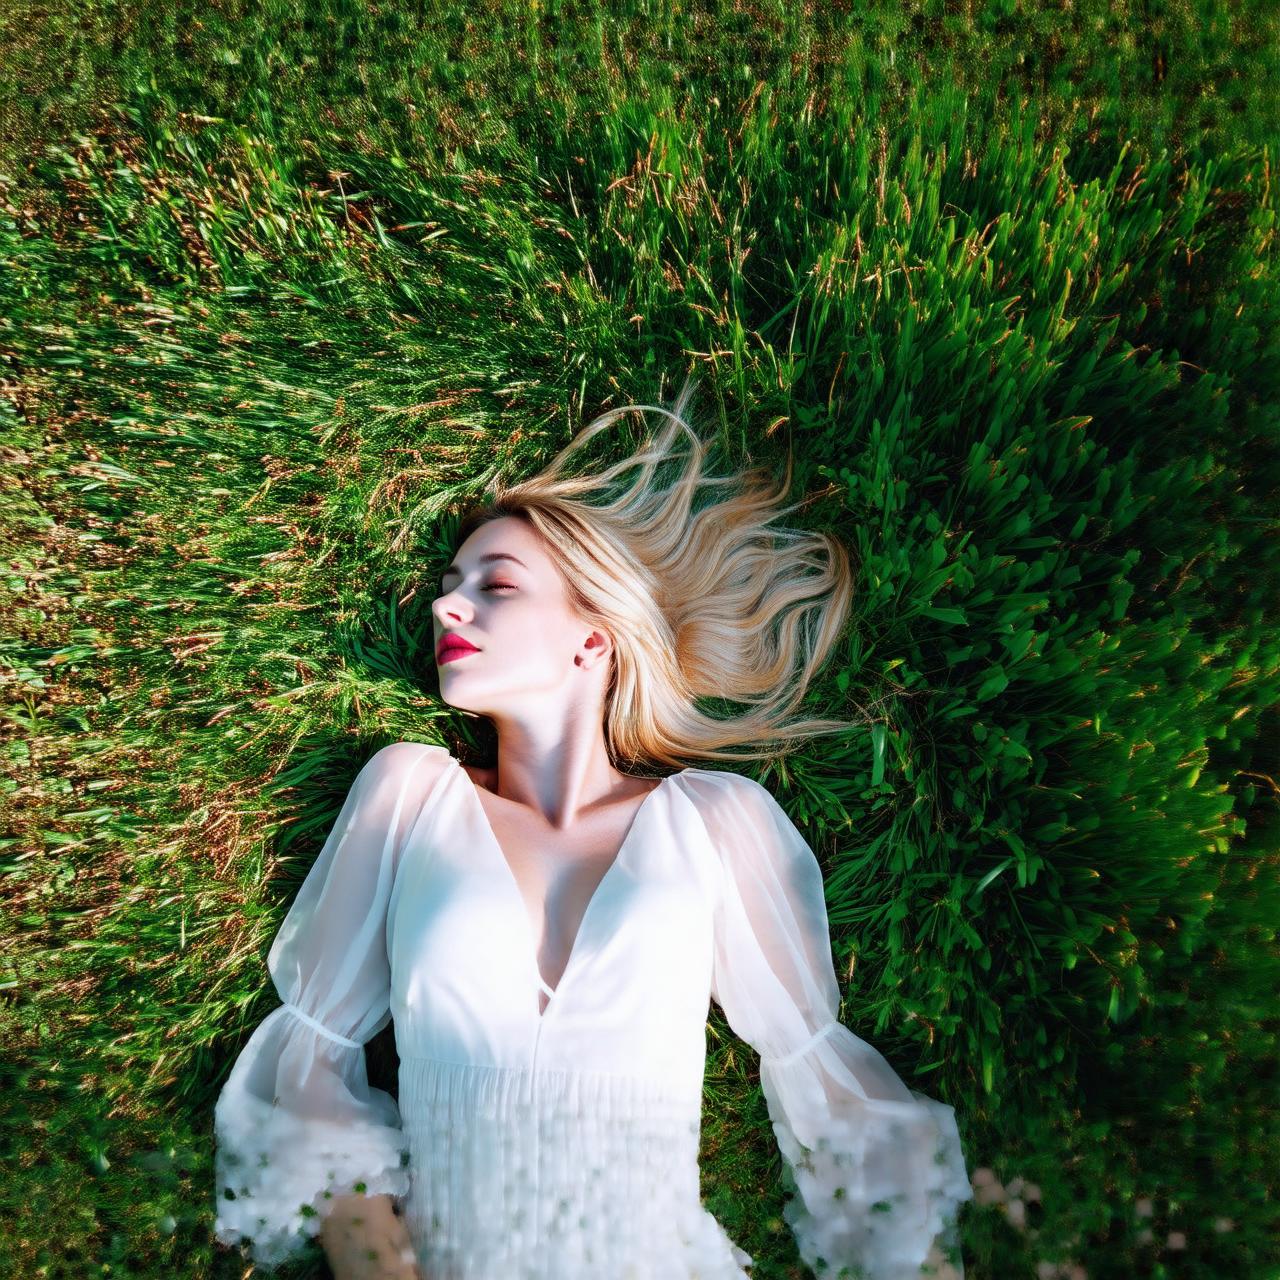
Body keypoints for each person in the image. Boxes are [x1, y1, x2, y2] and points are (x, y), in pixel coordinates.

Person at [212, 378, 974, 1279]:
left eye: (495, 585)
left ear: (593, 638)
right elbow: (311, 1070)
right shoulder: (409, 795)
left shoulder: (717, 824)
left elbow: (820, 1079)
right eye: (450, 587)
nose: (446, 607)